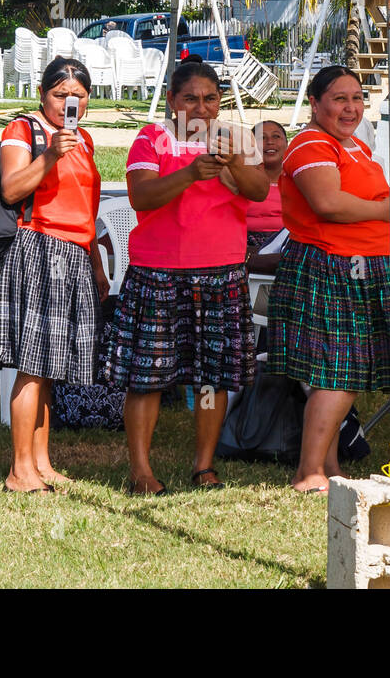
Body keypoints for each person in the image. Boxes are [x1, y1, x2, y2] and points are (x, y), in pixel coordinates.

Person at [100, 60, 269, 494]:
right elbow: (141, 195)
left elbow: (258, 191)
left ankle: (205, 466)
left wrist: (234, 160)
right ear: (173, 100)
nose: (201, 107)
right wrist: (191, 173)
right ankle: (141, 471)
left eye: (210, 98)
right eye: (190, 98)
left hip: (221, 269)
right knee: (147, 376)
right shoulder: (152, 138)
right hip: (159, 270)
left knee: (212, 376)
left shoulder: (237, 137)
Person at [265, 66, 390, 494]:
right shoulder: (312, 143)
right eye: (339, 98)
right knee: (339, 374)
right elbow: (328, 203)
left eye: (357, 98)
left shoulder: (350, 145)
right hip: (334, 265)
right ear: (315, 103)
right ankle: (309, 471)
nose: (351, 108)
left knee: (341, 373)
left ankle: (329, 466)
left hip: (360, 263)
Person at [0, 57, 109, 493]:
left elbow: (85, 209)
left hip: (74, 254)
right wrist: (50, 154)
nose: (70, 103)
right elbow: (11, 189)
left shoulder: (82, 139)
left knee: (49, 367)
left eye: (80, 97)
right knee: (31, 364)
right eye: (61, 95)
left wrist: (96, 262)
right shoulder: (23, 130)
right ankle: (18, 470)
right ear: (42, 94)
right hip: (39, 249)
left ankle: (42, 464)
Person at [246, 120, 287, 269]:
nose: (270, 142)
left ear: (287, 145)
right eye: (261, 138)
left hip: (287, 241)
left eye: (276, 137)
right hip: (246, 243)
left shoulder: (300, 178)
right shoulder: (239, 177)